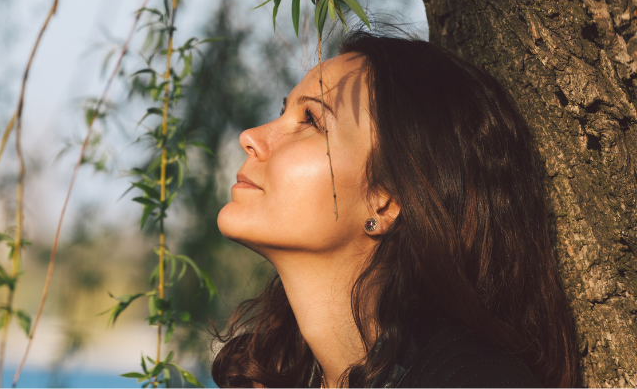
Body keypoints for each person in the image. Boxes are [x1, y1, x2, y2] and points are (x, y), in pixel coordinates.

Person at [212, 31, 579, 388]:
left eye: (310, 119)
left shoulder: (475, 382)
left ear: (385, 202)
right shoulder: (275, 373)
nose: (251, 136)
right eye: (282, 111)